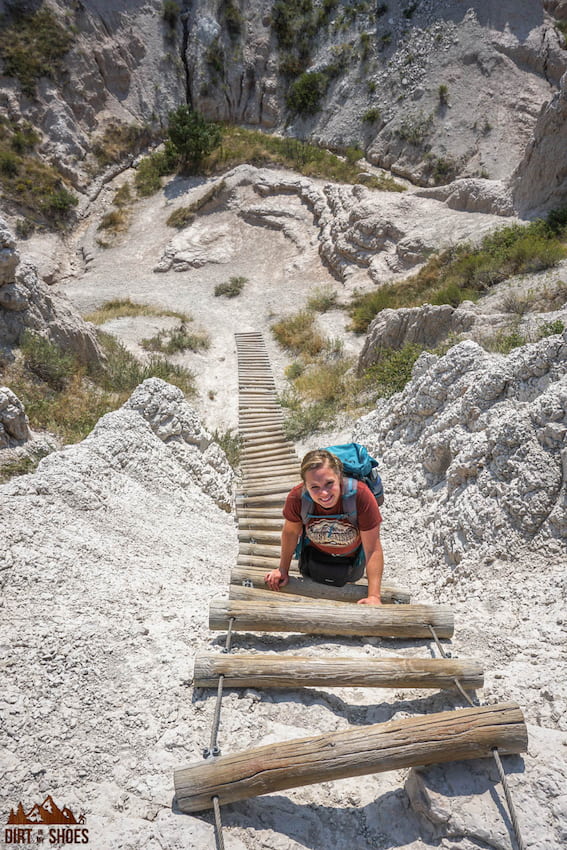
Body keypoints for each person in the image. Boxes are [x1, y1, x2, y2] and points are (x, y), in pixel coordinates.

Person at [264, 449, 383, 605]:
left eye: (329, 483)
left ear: (339, 477)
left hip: (351, 563)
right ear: (305, 486)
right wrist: (282, 569)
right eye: (314, 487)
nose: (324, 493)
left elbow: (372, 549)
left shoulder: (360, 496)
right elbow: (290, 533)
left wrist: (374, 596)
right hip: (313, 559)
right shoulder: (297, 497)